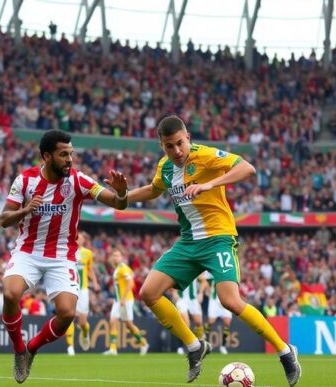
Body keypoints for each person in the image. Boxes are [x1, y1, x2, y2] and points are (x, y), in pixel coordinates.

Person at [127, 116, 301, 385]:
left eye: (180, 143)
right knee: (148, 293)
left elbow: (248, 168)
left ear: (188, 137)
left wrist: (210, 183)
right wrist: (122, 196)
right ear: (161, 146)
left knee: (230, 301)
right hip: (187, 242)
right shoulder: (165, 167)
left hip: (218, 238)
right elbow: (152, 190)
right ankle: (195, 346)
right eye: (168, 146)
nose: (176, 151)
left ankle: (285, 351)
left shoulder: (206, 156)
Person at [0, 130, 129, 383]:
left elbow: (118, 203)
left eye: (71, 153)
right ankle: (18, 349)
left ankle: (31, 349)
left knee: (68, 313)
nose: (69, 159)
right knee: (10, 294)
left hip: (62, 256)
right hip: (28, 250)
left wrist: (122, 193)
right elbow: (4, 218)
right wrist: (26, 209)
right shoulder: (25, 181)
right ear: (46, 156)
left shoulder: (78, 181)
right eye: (63, 154)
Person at [103, 249, 149, 356]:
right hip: (118, 300)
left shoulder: (123, 268)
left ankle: (143, 343)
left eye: (117, 255)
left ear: (122, 257)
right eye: (114, 255)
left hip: (126, 300)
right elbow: (131, 274)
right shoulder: (118, 268)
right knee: (113, 321)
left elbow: (130, 283)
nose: (115, 257)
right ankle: (113, 349)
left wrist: (123, 298)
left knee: (129, 325)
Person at [65, 231, 99, 356]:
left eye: (80, 238)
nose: (77, 239)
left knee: (82, 322)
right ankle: (70, 347)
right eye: (76, 237)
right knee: (69, 316)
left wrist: (95, 282)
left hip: (83, 289)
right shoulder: (67, 250)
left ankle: (85, 332)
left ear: (83, 240)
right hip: (69, 287)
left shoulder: (88, 253)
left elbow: (89, 269)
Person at [173, 274, 207, 355]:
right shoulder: (179, 267)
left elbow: (204, 282)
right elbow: (171, 281)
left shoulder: (195, 267)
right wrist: (174, 292)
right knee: (186, 323)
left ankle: (200, 345)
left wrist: (201, 293)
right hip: (181, 299)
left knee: (199, 323)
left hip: (193, 299)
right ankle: (180, 347)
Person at [204, 276, 233, 354]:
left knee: (227, 322)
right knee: (211, 322)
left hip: (225, 300)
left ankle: (223, 346)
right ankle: (205, 343)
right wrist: (207, 289)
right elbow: (206, 282)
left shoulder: (228, 272)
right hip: (214, 301)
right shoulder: (211, 273)